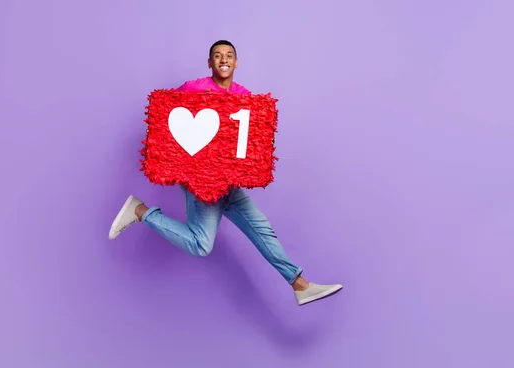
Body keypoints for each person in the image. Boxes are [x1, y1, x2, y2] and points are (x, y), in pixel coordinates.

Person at [109, 40, 343, 306]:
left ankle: (300, 285)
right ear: (210, 62)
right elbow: (166, 114)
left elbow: (250, 137)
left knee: (262, 230)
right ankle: (140, 211)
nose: (224, 59)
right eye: (217, 55)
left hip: (229, 184)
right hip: (202, 183)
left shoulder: (244, 96)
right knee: (201, 245)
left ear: (236, 62)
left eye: (229, 55)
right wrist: (181, 166)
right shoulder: (193, 87)